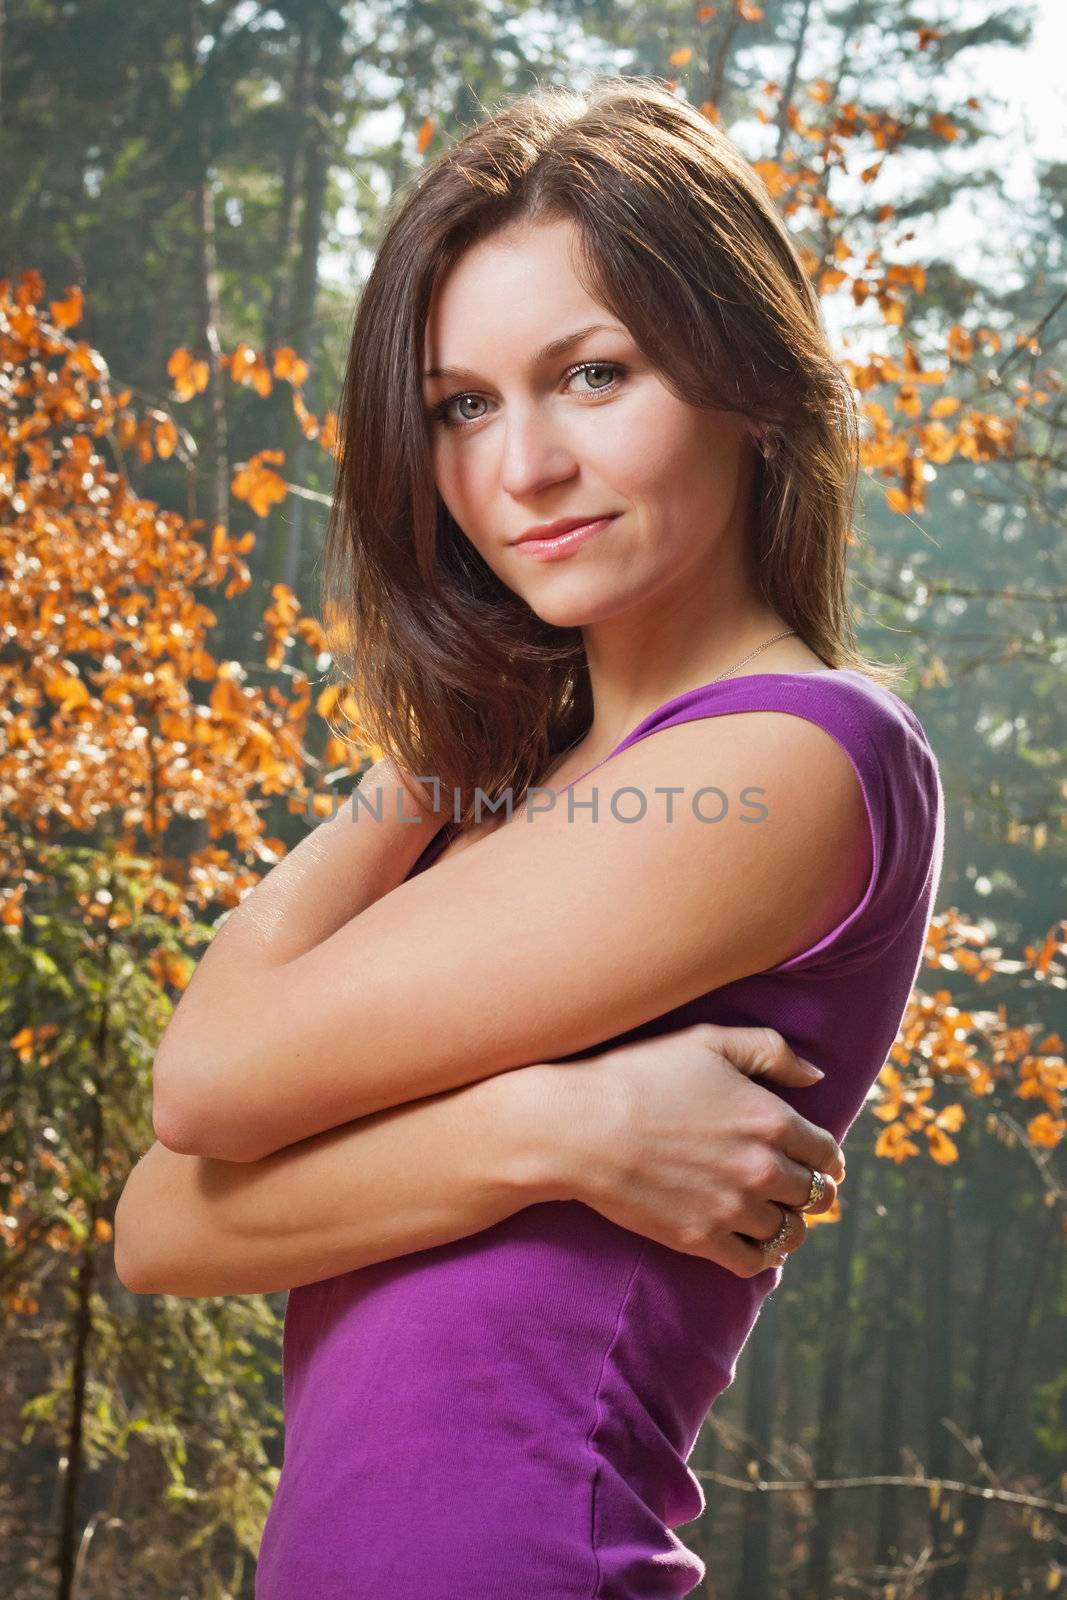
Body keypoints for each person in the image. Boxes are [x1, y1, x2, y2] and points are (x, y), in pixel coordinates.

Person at [116, 75, 944, 1597]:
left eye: (595, 375)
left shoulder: (791, 757)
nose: (522, 471)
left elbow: (213, 1077)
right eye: (463, 406)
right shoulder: (508, 799)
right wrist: (554, 1132)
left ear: (749, 381)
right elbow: (162, 1218)